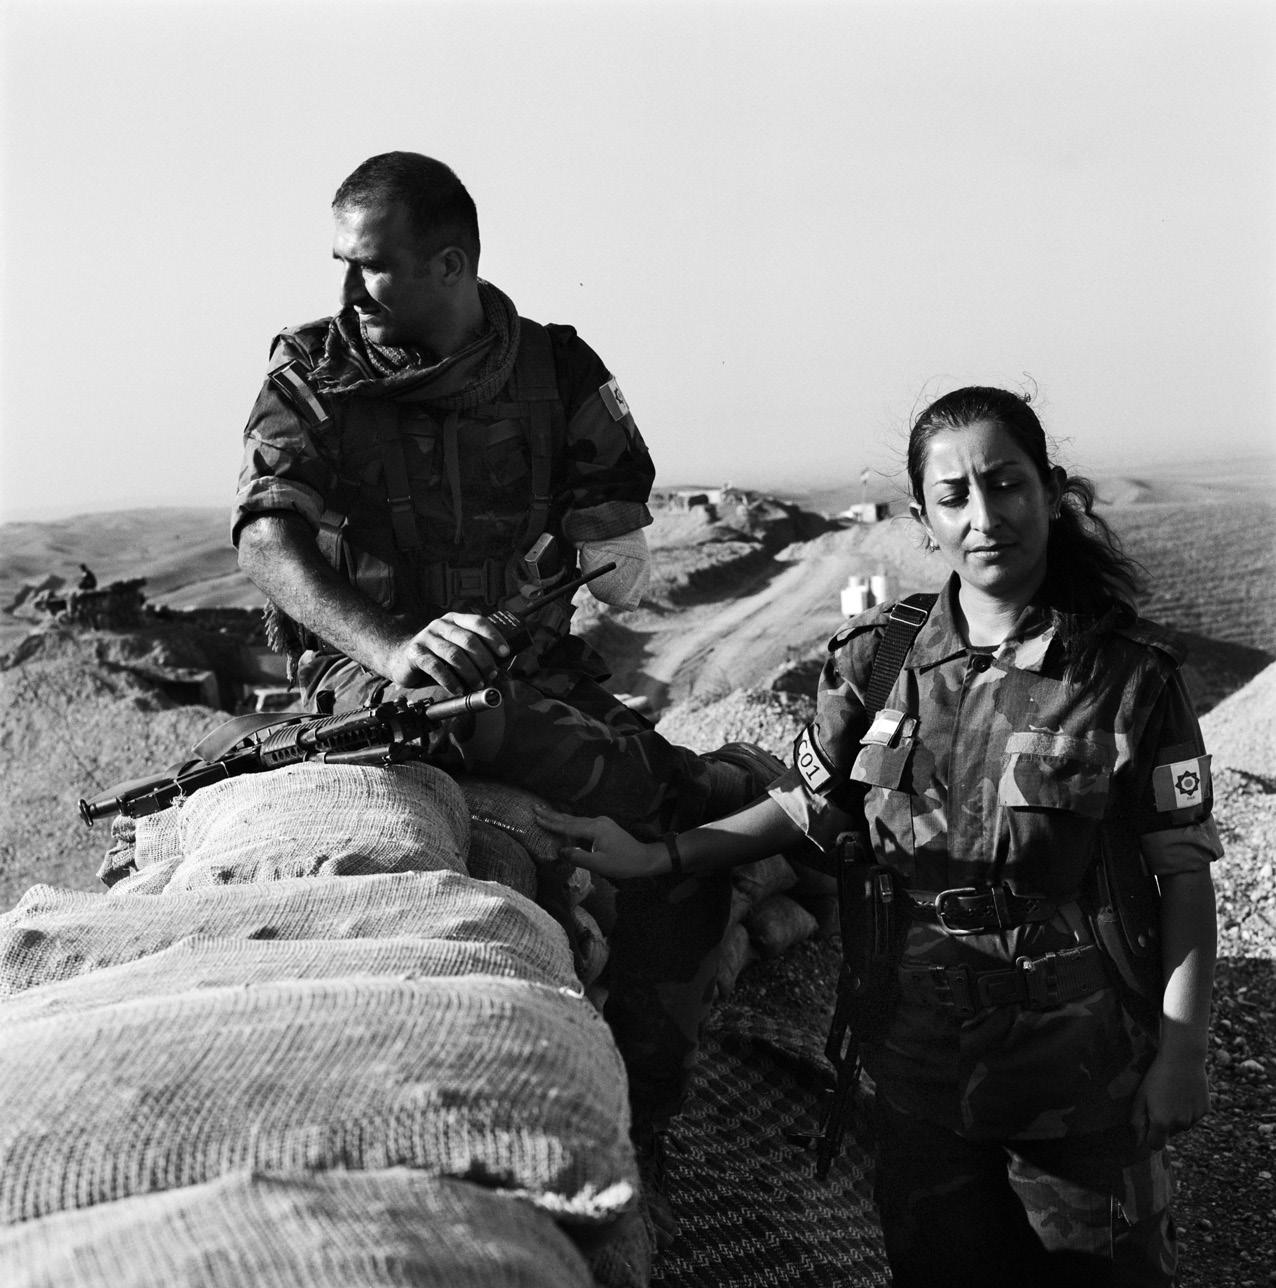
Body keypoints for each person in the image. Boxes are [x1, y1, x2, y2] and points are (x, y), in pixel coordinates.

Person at [537, 386, 1220, 1286]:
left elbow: (1183, 879)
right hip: (919, 1077)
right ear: (922, 520)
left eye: (1007, 484)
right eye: (954, 497)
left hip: (1084, 1083)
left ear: (1052, 493)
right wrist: (661, 856)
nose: (985, 518)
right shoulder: (878, 659)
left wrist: (1181, 1053)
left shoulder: (1126, 679)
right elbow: (806, 806)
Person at [231, 151, 777, 1244]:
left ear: (450, 264)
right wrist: (396, 646)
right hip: (373, 675)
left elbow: (612, 525)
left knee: (680, 837)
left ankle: (641, 1116)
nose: (348, 288)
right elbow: (266, 542)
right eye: (341, 263)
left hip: (531, 667)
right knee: (467, 728)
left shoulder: (556, 371)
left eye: (372, 265)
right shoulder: (313, 369)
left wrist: (593, 561)